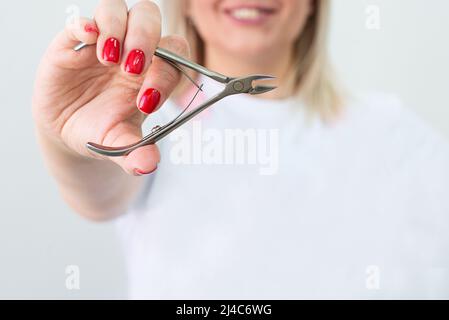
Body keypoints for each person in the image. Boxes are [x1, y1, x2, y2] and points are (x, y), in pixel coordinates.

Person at [32, 0, 449, 299]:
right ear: (188, 6)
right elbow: (96, 193)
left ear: (312, 7)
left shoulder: (393, 132)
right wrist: (67, 138)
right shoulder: (142, 120)